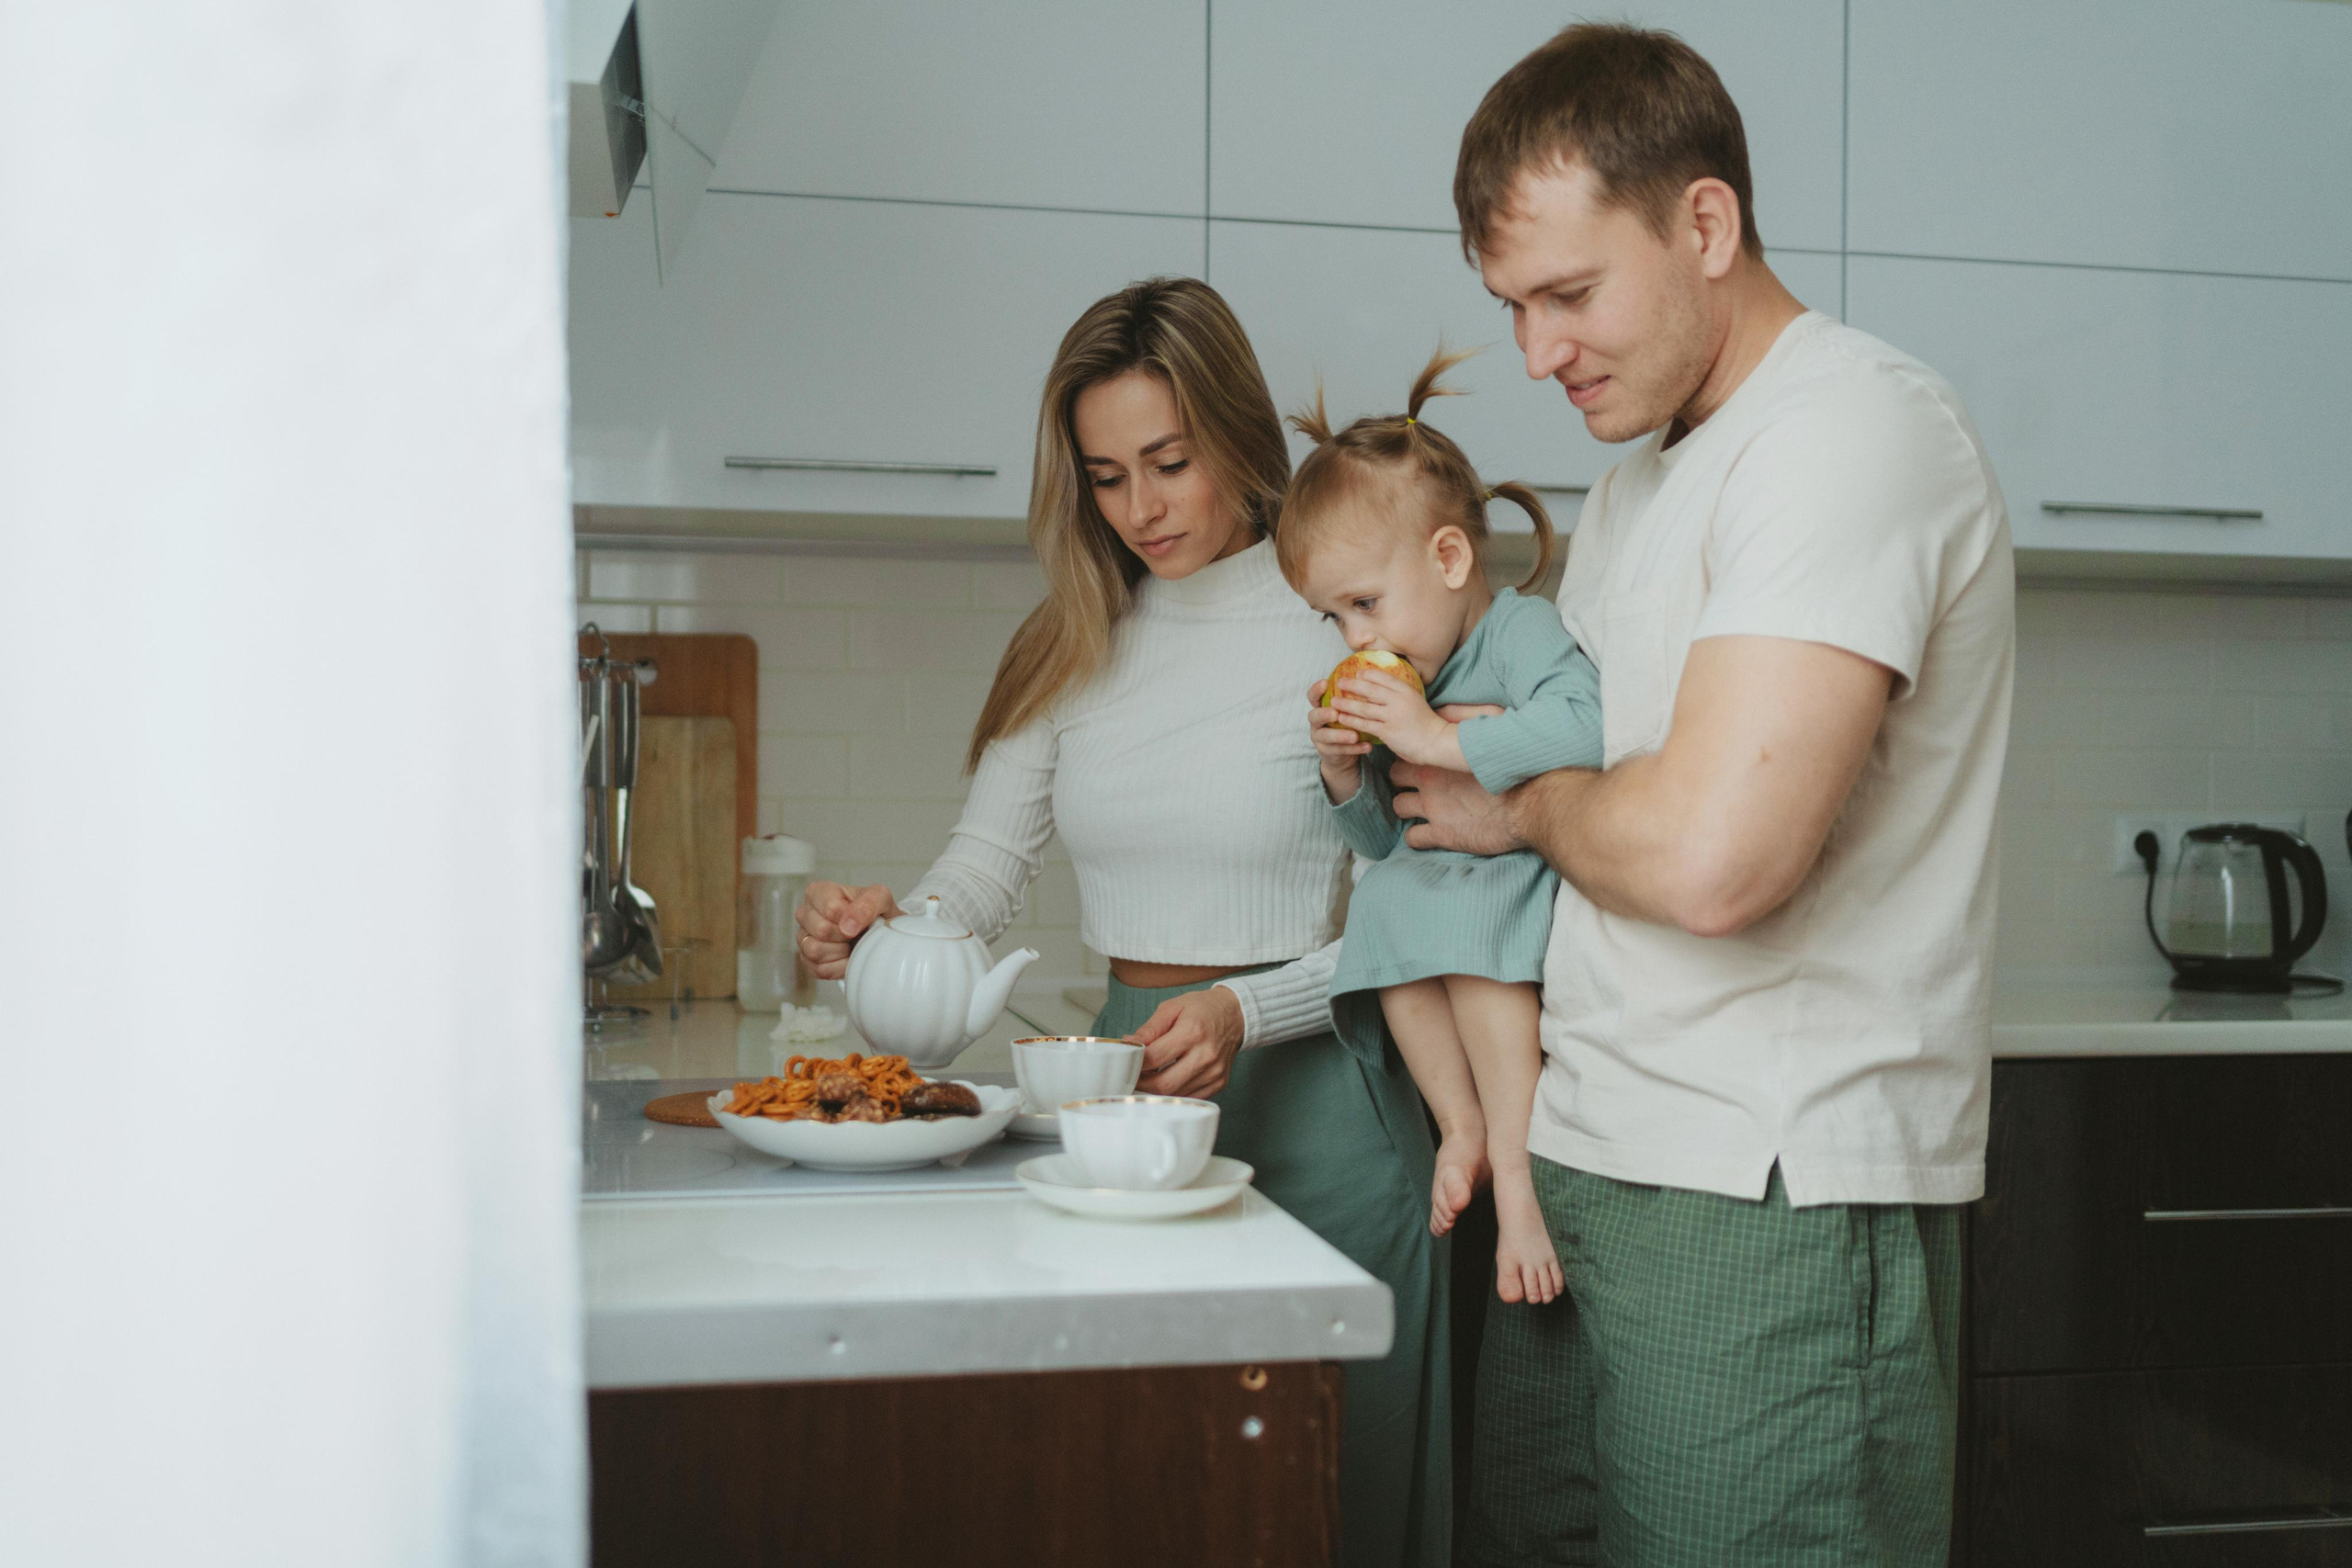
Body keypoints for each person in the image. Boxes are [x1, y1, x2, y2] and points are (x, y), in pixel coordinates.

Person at [1401, 24, 2015, 1568]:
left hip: (1772, 1191)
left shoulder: (1849, 432)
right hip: (1592, 1158)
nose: (1536, 354)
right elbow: (1593, 768)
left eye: (1568, 294)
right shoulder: (1637, 484)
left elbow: (1715, 856)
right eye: (1509, 307)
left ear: (1705, 224)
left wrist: (1523, 804)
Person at [795, 276, 1453, 1568]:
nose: (1141, 508)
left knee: (1334, 1504)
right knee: (1145, 1494)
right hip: (1117, 1107)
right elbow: (979, 871)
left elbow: (1411, 907)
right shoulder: (1075, 636)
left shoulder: (1341, 619)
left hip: (1324, 1095)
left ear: (1236, 435)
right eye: (1105, 475)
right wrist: (883, 928)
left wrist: (1242, 1008)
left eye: (1170, 461)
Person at [1281, 347, 1601, 1309]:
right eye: (1331, 617)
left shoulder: (1518, 632)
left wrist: (1436, 738)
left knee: (1464, 951)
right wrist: (1344, 773)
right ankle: (1456, 1122)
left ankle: (1519, 1184)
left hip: (1515, 883)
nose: (1353, 640)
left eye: (1365, 604)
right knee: (1381, 910)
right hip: (1437, 883)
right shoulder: (1402, 679)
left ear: (1449, 558)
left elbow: (1588, 725)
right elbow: (1390, 842)